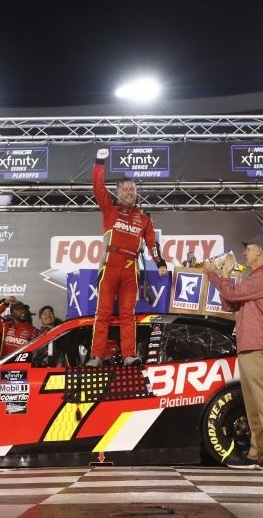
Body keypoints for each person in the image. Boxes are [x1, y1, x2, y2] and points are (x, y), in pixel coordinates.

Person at [203, 234, 263, 471]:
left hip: (260, 348)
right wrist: (225, 277)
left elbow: (231, 295)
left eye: (248, 249)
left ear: (260, 252)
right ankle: (256, 451)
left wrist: (215, 275)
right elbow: (229, 304)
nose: (244, 254)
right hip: (249, 348)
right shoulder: (255, 278)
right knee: (253, 406)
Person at [89, 148, 168, 367]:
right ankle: (96, 356)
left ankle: (128, 356)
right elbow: (97, 187)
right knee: (103, 312)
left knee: (128, 315)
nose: (129, 192)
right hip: (110, 264)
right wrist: (100, 162)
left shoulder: (144, 218)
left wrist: (160, 262)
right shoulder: (110, 210)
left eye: (132, 189)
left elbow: (152, 243)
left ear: (137, 190)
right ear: (118, 192)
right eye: (125, 189)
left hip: (131, 266)